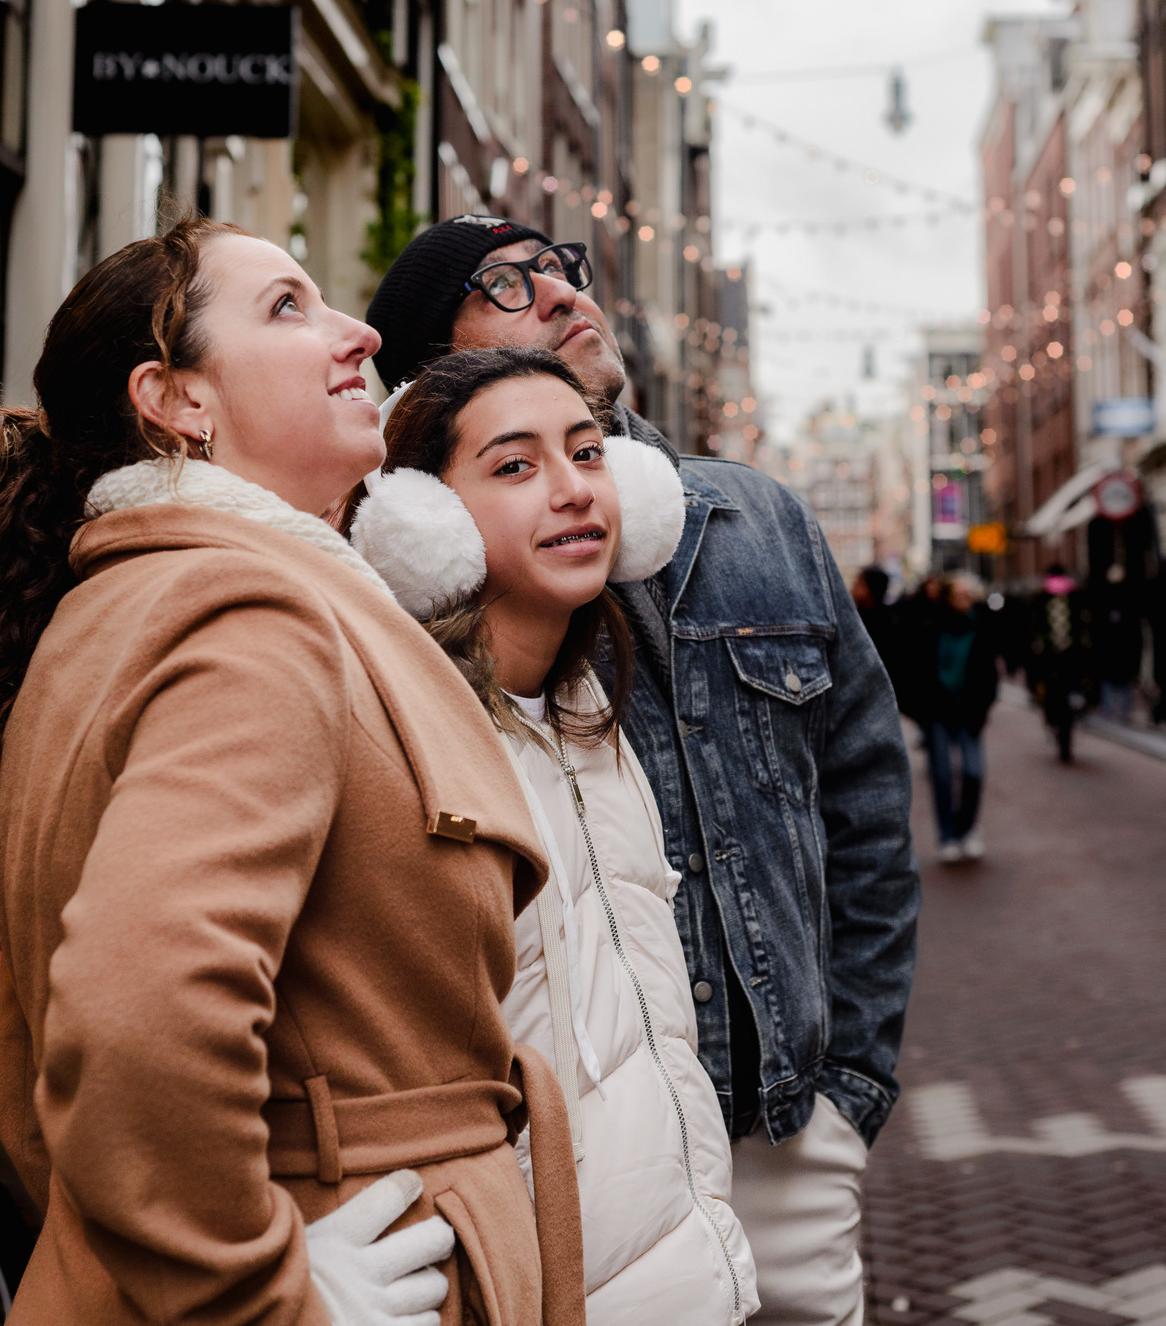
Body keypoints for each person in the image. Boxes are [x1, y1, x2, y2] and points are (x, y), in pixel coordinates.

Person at [0, 220, 585, 1326]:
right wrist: (264, 1293)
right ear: (179, 400)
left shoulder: (113, 606)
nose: (360, 331)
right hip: (356, 1256)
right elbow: (128, 1022)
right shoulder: (253, 616)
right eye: (288, 307)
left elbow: (33, 1071)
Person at [366, 217, 920, 1326]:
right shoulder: (395, 575)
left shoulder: (759, 520)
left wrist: (846, 1089)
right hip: (571, 1154)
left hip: (781, 1126)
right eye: (509, 284)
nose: (567, 291)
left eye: (567, 266)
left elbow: (867, 798)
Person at [352, 347, 760, 1325]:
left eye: (587, 453)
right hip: (525, 1281)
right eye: (516, 465)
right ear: (423, 520)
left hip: (684, 1264)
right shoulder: (397, 736)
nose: (575, 490)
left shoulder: (590, 708)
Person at [904, 570, 999, 863]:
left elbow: (989, 674)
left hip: (969, 712)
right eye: (960, 594)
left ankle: (967, 828)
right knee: (942, 776)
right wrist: (921, 708)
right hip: (938, 712)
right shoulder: (931, 626)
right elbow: (917, 668)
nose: (966, 600)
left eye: (969, 595)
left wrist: (983, 706)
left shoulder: (980, 627)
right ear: (948, 598)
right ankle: (947, 836)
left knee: (974, 772)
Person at [1026, 565, 1093, 763]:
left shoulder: (1076, 599)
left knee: (1070, 695)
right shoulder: (1040, 600)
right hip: (1049, 660)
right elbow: (1033, 628)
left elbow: (1084, 627)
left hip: (1071, 659)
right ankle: (1055, 721)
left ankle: (1067, 728)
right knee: (1052, 696)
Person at [851, 565, 897, 681]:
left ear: (869, 589)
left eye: (858, 583)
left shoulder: (878, 625)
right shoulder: (887, 618)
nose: (853, 588)